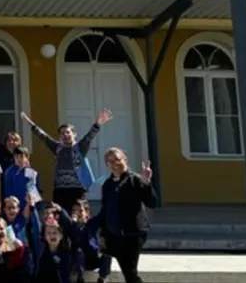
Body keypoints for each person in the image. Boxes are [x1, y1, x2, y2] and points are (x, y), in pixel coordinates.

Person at [20, 109, 111, 212]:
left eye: (68, 132)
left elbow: (89, 136)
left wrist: (98, 123)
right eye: (62, 133)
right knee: (61, 216)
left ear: (74, 134)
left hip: (77, 189)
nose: (65, 135)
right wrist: (29, 122)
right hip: (60, 190)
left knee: (78, 216)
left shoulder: (80, 147)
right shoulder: (57, 148)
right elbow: (43, 136)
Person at [96, 148, 156, 283]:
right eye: (110, 161)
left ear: (125, 160)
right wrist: (103, 233)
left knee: (130, 271)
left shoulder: (135, 179)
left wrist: (146, 183)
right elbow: (106, 210)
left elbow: (152, 202)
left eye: (117, 159)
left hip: (134, 233)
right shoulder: (107, 184)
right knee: (128, 271)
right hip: (114, 234)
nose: (114, 163)